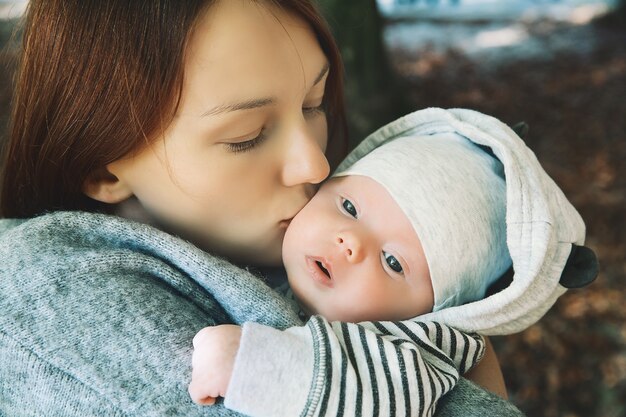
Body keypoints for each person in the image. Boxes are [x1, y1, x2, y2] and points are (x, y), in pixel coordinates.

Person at [1, 1, 525, 416]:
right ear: (104, 169)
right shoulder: (52, 293)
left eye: (313, 104)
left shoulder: (280, 248)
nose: (315, 165)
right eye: (246, 137)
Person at [187, 107, 590, 416]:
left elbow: (380, 391)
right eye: (348, 207)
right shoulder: (253, 250)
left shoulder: (423, 348)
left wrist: (251, 363)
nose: (350, 244)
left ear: (435, 311)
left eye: (394, 262)